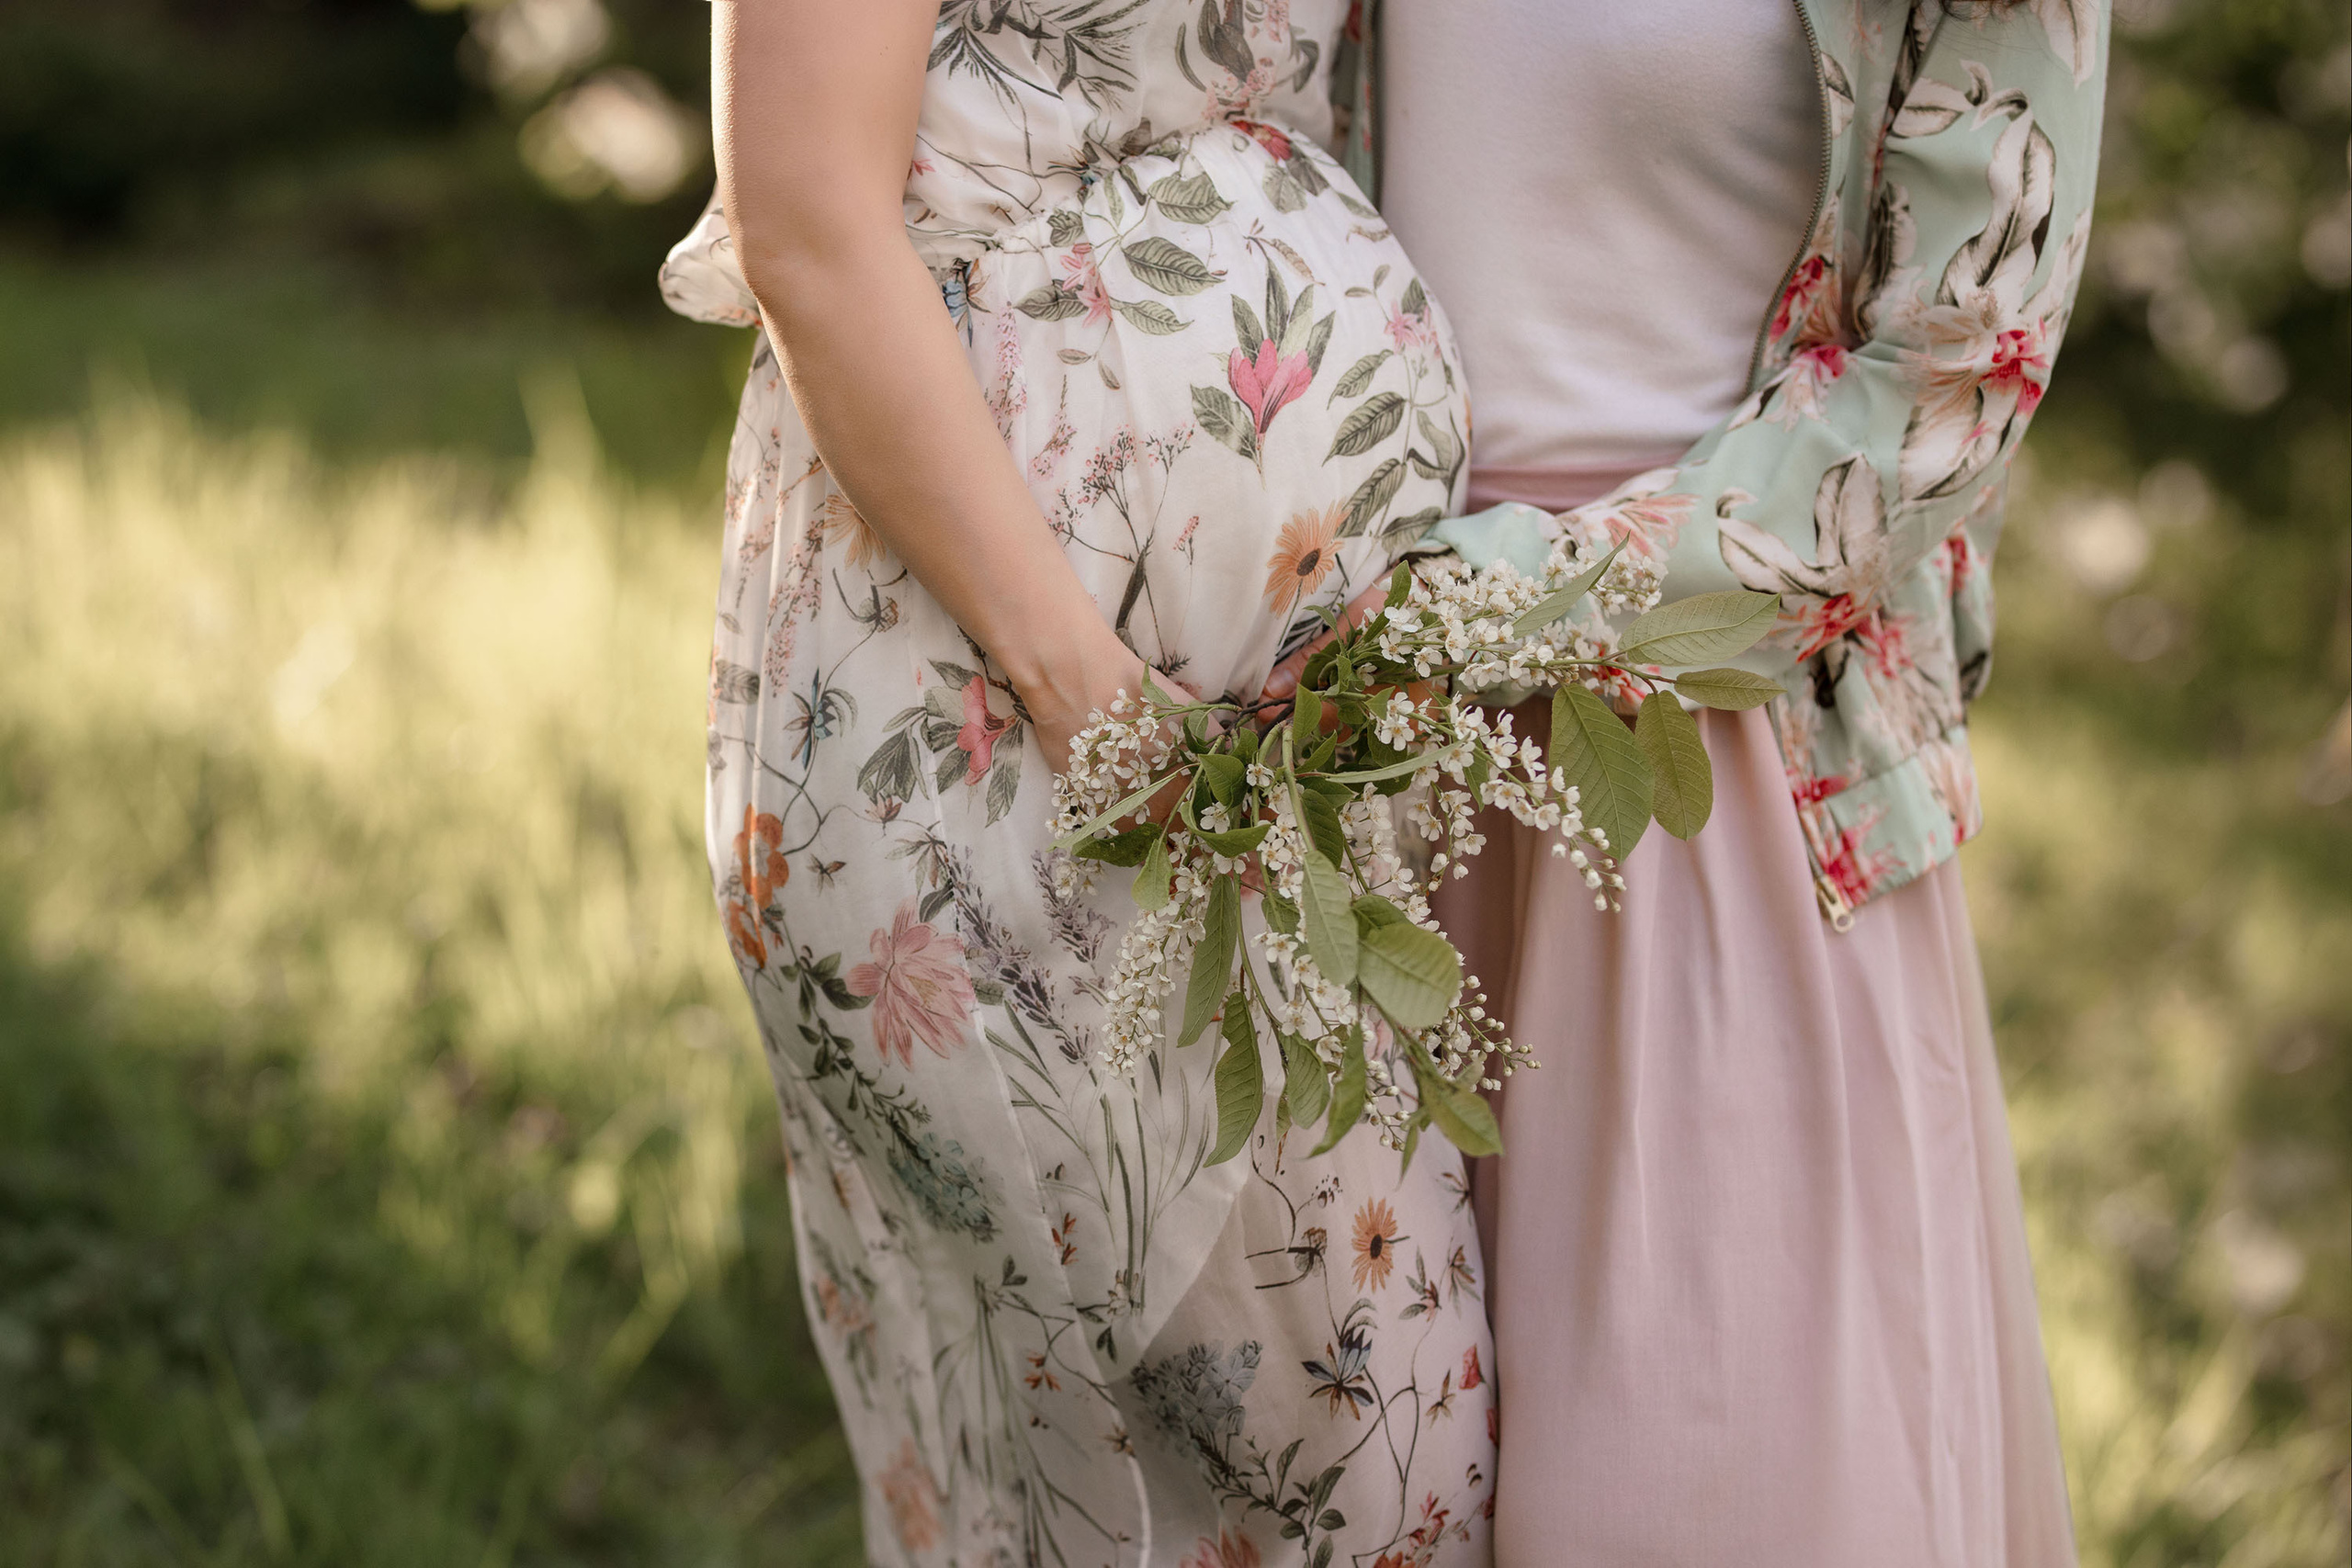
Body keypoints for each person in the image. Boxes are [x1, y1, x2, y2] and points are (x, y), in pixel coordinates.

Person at [660, 6, 1496, 1564]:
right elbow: (809, 219)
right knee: (1303, 1476)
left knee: (1335, 1481)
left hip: (1253, 761)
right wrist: (1082, 690)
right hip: (1018, 715)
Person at [1371, 1, 2108, 1562]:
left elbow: (1940, 387)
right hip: (1341, 769)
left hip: (1717, 770)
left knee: (1703, 1487)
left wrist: (1482, 611)